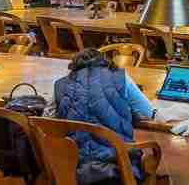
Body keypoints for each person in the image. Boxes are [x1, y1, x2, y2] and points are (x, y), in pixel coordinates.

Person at [53, 49, 156, 184]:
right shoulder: (120, 77)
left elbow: (54, 119)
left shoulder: (60, 84)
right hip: (116, 163)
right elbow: (148, 112)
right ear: (106, 62)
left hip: (73, 165)